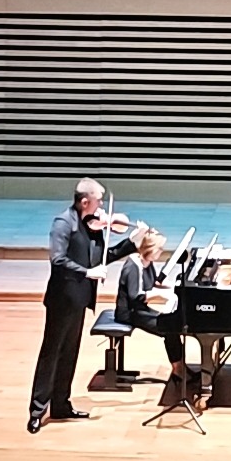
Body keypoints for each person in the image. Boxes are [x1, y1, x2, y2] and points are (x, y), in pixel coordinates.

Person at [28, 178, 147, 433]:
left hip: (80, 300)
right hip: (62, 300)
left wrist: (132, 242)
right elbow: (57, 259)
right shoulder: (63, 224)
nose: (102, 207)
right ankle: (37, 411)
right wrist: (87, 272)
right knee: (51, 353)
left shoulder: (91, 226)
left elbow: (104, 258)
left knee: (70, 353)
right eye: (99, 201)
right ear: (85, 202)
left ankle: (61, 405)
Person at [114, 228, 188, 384]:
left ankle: (180, 367)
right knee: (169, 328)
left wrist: (174, 288)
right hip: (129, 313)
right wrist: (159, 294)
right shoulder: (133, 266)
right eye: (159, 249)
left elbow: (154, 283)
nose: (161, 251)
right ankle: (178, 370)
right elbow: (136, 296)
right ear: (151, 249)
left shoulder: (146, 262)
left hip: (140, 309)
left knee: (172, 324)